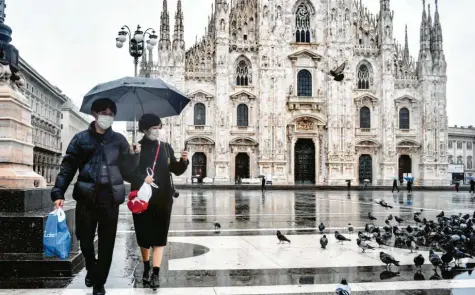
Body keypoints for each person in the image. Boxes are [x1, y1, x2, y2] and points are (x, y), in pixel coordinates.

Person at [51, 98, 140, 295]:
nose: (107, 117)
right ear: (94, 114)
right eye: (103, 113)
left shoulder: (119, 140)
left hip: (110, 198)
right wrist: (58, 192)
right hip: (86, 197)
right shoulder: (81, 139)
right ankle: (91, 267)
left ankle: (99, 283)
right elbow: (68, 167)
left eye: (110, 114)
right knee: (84, 238)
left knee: (107, 243)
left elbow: (128, 172)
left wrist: (134, 156)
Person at [130, 114, 189, 290]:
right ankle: (146, 267)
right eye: (154, 127)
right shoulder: (136, 148)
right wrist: (141, 175)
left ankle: (155, 272)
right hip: (142, 198)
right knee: (143, 235)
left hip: (163, 197)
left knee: (159, 236)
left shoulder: (164, 147)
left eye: (159, 127)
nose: (158, 130)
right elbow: (129, 172)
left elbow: (176, 170)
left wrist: (184, 161)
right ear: (144, 129)